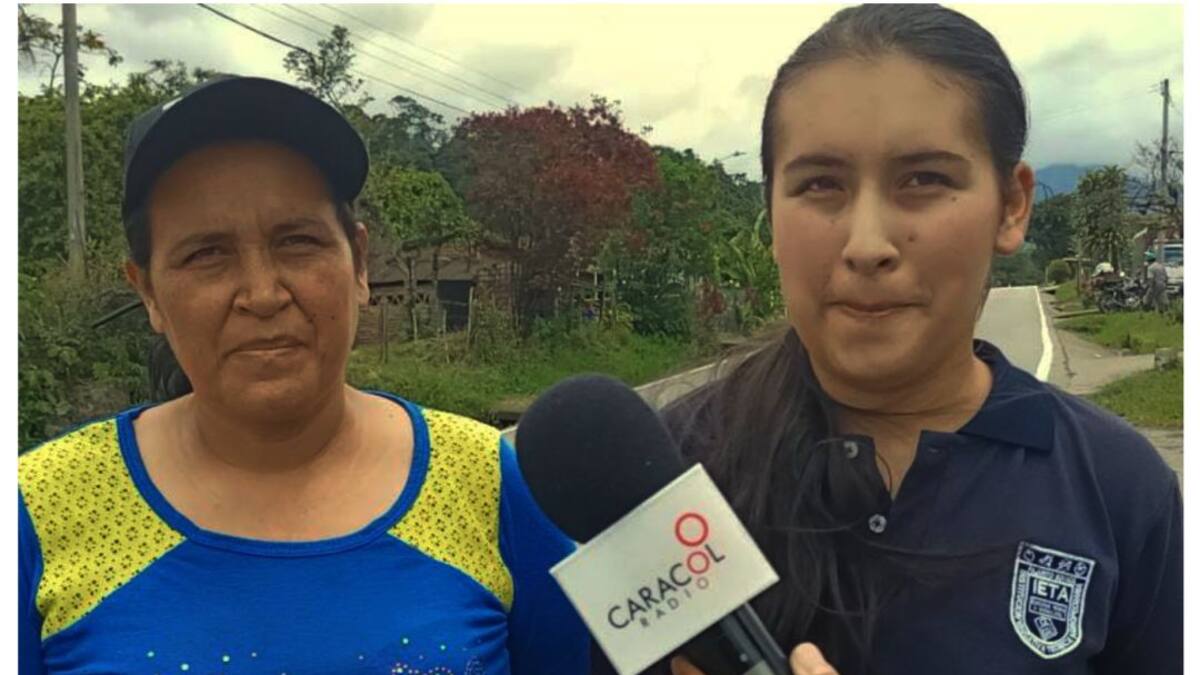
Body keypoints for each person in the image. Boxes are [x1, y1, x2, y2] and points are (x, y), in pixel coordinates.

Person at [650, 5, 1180, 675]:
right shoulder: (668, 476)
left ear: (1011, 205)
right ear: (770, 213)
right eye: (819, 184)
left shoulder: (1118, 491)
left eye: (924, 180)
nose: (867, 244)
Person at [18, 75, 590, 675]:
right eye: (206, 254)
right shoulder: (38, 509)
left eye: (297, 241)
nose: (263, 295)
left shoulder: (485, 482)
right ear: (150, 294)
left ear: (360, 263)